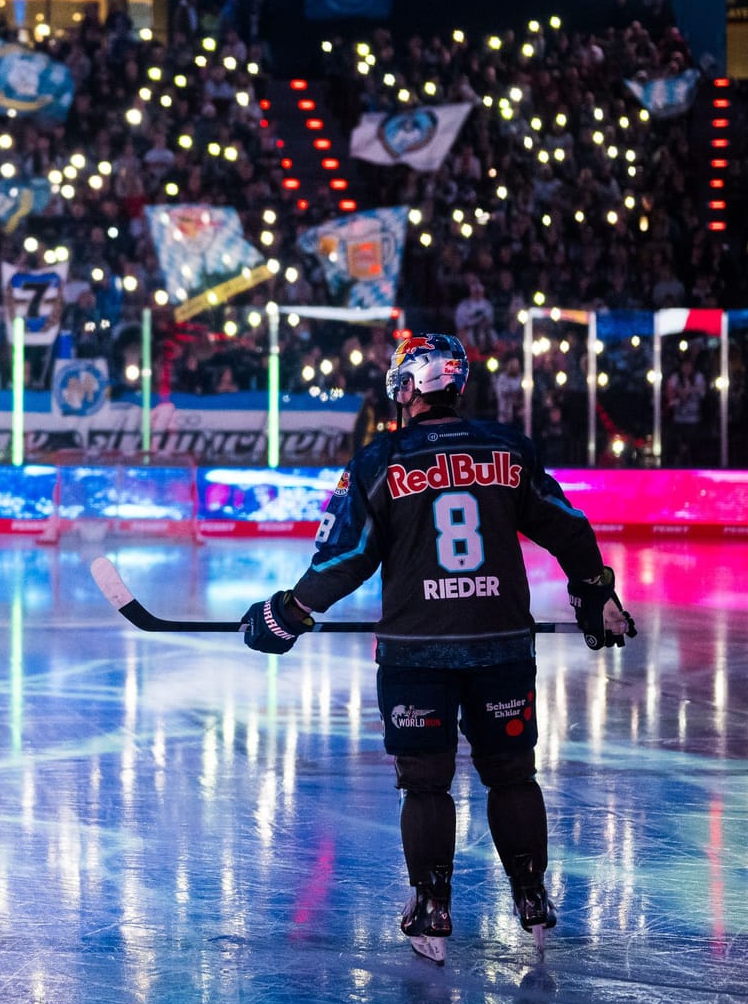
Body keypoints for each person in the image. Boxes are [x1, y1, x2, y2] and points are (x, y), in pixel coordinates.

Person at [241, 333, 635, 964]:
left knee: (425, 785)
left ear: (412, 387)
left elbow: (347, 556)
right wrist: (595, 595)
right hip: (500, 644)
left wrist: (290, 611)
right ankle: (531, 897)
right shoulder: (507, 448)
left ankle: (431, 908)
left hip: (415, 650)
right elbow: (568, 527)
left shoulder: (381, 460)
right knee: (511, 774)